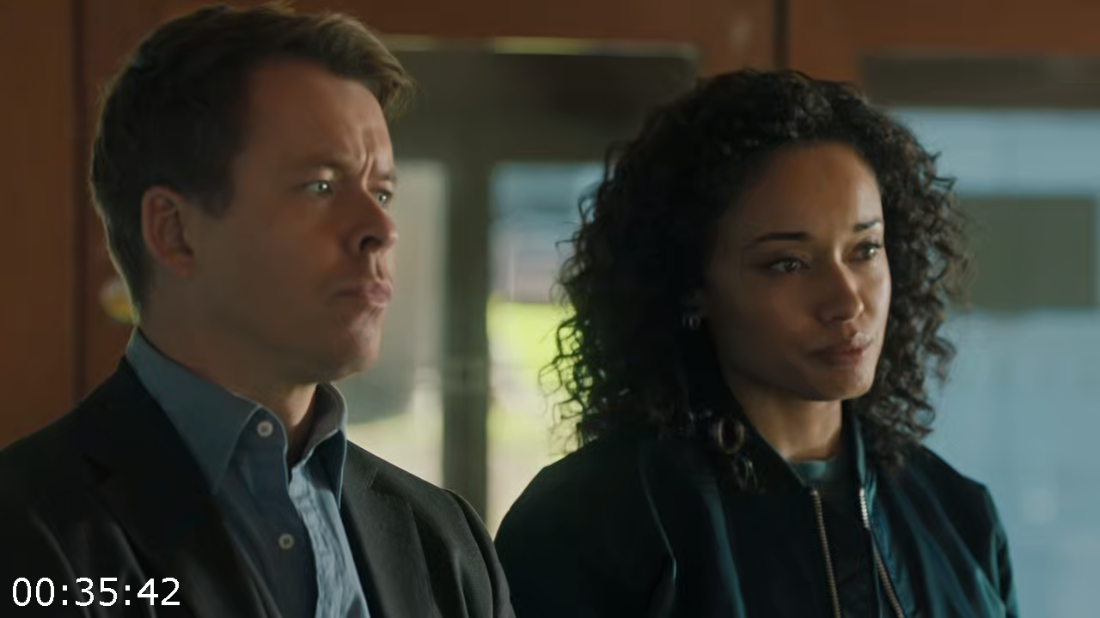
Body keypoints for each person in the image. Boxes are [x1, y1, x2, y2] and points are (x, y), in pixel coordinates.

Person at [0, 5, 513, 617]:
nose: (381, 228)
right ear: (175, 232)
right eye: (321, 186)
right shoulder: (28, 529)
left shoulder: (444, 541)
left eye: (381, 191)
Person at [495, 69, 1018, 618]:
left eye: (865, 250)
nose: (846, 300)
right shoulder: (590, 524)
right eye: (788, 263)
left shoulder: (961, 518)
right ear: (691, 285)